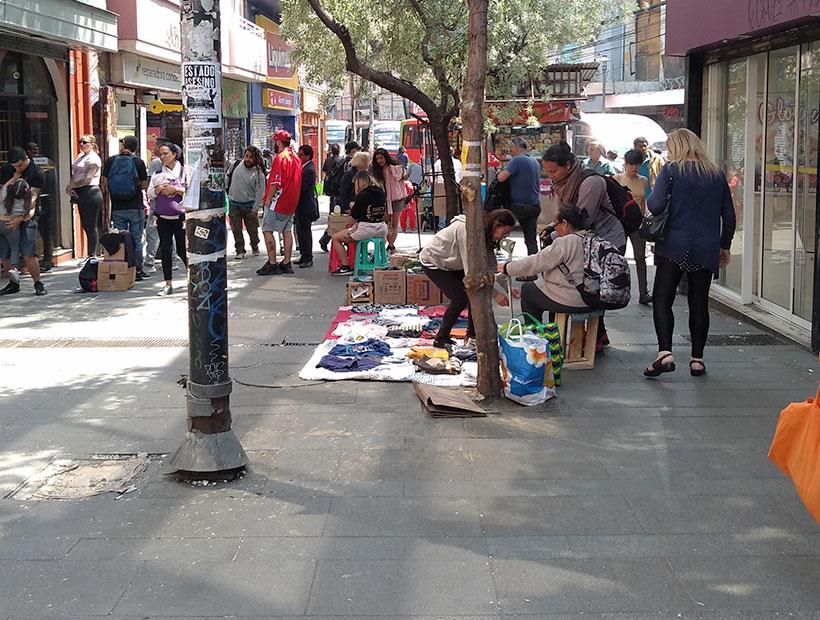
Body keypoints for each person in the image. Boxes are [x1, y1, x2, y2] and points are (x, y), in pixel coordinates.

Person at [643, 128, 735, 379]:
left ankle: (665, 353)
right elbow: (729, 215)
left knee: (662, 298)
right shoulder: (715, 174)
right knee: (699, 302)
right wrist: (724, 245)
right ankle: (697, 360)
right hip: (705, 248)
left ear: (677, 148)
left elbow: (656, 204)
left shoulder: (671, 171)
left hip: (673, 245)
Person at [543, 140, 625, 350]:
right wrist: (552, 228)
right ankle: (600, 334)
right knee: (590, 288)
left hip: (608, 242)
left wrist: (555, 237)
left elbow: (581, 221)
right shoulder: (564, 183)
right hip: (587, 240)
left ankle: (595, 336)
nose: (550, 177)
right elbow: (564, 217)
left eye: (553, 172)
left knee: (597, 289)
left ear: (567, 166)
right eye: (547, 172)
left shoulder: (590, 182)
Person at [419, 209, 517, 349]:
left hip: (454, 263)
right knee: (460, 299)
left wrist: (508, 287)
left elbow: (492, 267)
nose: (504, 237)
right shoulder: (468, 233)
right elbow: (471, 274)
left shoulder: (485, 234)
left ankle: (472, 336)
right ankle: (441, 338)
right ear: (496, 224)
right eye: (504, 233)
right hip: (434, 261)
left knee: (474, 295)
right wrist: (496, 295)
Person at [499, 204, 589, 323]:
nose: (555, 229)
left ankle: (534, 336)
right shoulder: (591, 238)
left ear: (565, 223)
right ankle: (554, 332)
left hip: (575, 298)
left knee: (528, 290)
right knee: (549, 294)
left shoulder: (566, 242)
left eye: (556, 224)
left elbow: (535, 262)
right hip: (592, 298)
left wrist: (508, 267)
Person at [101, 135, 150, 281]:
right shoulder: (138, 162)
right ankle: (138, 271)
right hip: (136, 206)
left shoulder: (111, 161)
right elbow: (144, 185)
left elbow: (104, 183)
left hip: (117, 207)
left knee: (120, 238)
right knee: (137, 238)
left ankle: (122, 268)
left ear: (123, 144)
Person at [0, 146, 46, 295]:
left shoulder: (36, 172)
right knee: (6, 253)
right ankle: (13, 283)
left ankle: (37, 283)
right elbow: (2, 192)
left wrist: (20, 219)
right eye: (14, 166)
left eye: (20, 165)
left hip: (27, 215)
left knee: (28, 252)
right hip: (7, 215)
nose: (17, 169)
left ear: (27, 158)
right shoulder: (7, 169)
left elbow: (32, 199)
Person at [257, 129, 302, 276]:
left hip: (278, 201)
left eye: (274, 143)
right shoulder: (295, 158)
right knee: (286, 230)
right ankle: (286, 262)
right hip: (291, 201)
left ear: (278, 142)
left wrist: (268, 199)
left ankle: (272, 262)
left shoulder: (281, 158)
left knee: (267, 230)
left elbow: (275, 182)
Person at [330, 171, 389, 276]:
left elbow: (355, 216)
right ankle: (375, 258)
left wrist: (353, 206)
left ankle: (345, 266)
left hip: (365, 229)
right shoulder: (381, 192)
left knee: (336, 238)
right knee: (360, 235)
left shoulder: (362, 195)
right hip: (382, 229)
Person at [147, 143, 187, 296]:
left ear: (174, 154)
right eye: (160, 154)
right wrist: (159, 189)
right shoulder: (158, 173)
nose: (162, 157)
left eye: (165, 154)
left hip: (181, 218)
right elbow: (150, 193)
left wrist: (175, 189)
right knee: (166, 249)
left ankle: (193, 279)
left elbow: (191, 192)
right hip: (162, 218)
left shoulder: (184, 172)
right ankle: (168, 284)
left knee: (183, 250)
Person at [614, 148, 651, 304]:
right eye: (631, 164)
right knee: (618, 257)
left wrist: (643, 218)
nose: (634, 168)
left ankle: (643, 292)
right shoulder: (617, 179)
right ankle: (617, 290)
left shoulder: (643, 180)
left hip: (637, 223)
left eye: (637, 165)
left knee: (640, 257)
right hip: (621, 222)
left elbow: (642, 202)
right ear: (625, 164)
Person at [496, 137, 541, 255]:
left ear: (516, 147)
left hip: (518, 206)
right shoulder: (534, 161)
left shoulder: (517, 160)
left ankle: (498, 256)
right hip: (534, 205)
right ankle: (533, 268)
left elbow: (501, 178)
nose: (510, 151)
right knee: (531, 239)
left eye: (511, 148)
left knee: (500, 229)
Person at [66, 134, 103, 261]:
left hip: (91, 191)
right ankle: (91, 253)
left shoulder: (94, 159)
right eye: (80, 141)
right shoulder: (80, 156)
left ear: (92, 144)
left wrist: (73, 186)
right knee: (85, 223)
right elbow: (75, 172)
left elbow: (88, 179)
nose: (82, 144)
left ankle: (92, 254)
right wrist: (71, 186)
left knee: (91, 224)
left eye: (85, 142)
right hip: (80, 191)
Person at [319, 140, 360, 252]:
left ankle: (327, 239)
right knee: (342, 220)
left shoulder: (343, 161)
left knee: (340, 220)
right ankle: (327, 238)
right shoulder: (349, 163)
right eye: (357, 149)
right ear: (352, 151)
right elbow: (347, 184)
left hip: (337, 196)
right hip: (342, 197)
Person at [226, 146, 265, 259]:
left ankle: (254, 245)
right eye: (246, 156)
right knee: (236, 230)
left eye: (251, 157)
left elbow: (260, 192)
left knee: (252, 230)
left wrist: (256, 208)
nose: (248, 159)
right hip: (234, 204)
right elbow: (227, 179)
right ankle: (240, 250)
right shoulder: (236, 165)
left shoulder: (258, 174)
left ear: (256, 159)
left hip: (250, 206)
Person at [25, 142, 55, 272]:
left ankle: (32, 259)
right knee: (47, 232)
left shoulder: (30, 166)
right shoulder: (49, 162)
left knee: (30, 232)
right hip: (49, 199)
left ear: (28, 152)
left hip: (35, 201)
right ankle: (48, 260)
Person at [372, 147, 408, 253]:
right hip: (385, 198)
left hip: (398, 197)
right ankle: (388, 243)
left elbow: (404, 176)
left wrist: (396, 171)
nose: (379, 161)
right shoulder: (377, 170)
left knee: (394, 223)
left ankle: (391, 245)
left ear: (386, 157)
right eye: (377, 159)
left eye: (381, 158)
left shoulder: (395, 166)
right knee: (386, 222)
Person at [0, 179, 29, 290]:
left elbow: (3, 188)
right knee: (14, 248)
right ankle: (13, 268)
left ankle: (5, 269)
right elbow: (28, 214)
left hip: (0, 221)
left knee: (3, 248)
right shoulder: (24, 203)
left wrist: (12, 179)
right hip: (12, 225)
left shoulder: (6, 198)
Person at [294, 144, 318, 268]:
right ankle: (304, 255)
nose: (299, 156)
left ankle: (308, 257)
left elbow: (302, 187)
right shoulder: (304, 167)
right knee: (300, 230)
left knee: (305, 232)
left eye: (301, 154)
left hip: (306, 205)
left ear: (308, 156)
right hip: (301, 205)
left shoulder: (309, 169)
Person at [433, 147, 463, 230]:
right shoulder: (458, 162)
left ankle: (441, 226)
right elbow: (461, 176)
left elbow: (432, 175)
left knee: (442, 207)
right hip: (455, 185)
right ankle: (453, 225)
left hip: (440, 185)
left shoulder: (438, 162)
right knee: (454, 205)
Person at [634, 135, 664, 200]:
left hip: (653, 195)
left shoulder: (657, 159)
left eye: (645, 146)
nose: (643, 148)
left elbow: (663, 175)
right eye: (640, 146)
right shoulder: (631, 160)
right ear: (635, 147)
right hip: (637, 196)